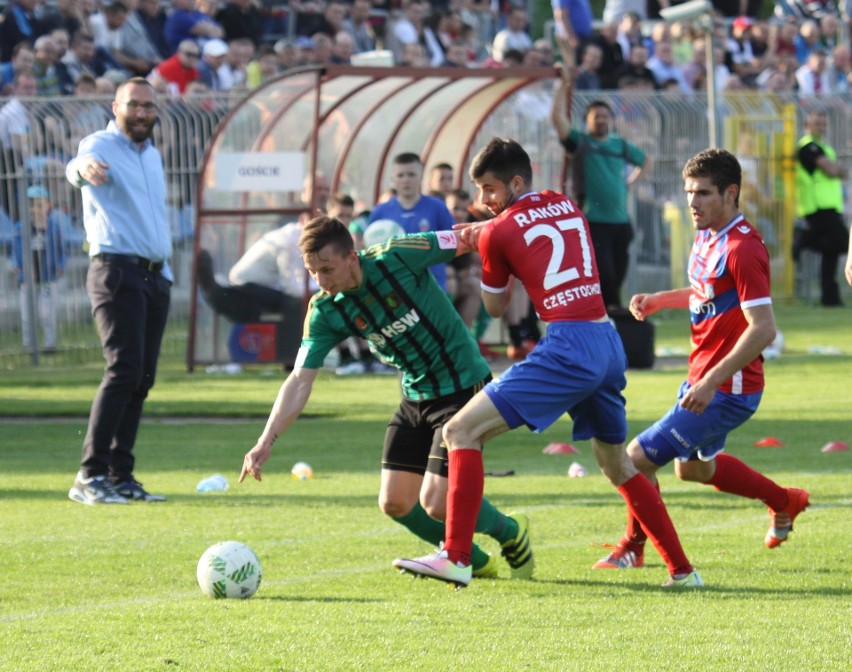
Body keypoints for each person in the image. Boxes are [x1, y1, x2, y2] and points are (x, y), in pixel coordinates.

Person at [394, 138, 700, 589]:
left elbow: (495, 309)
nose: (484, 201)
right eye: (478, 190)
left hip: (568, 345)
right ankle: (683, 571)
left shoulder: (498, 231)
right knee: (618, 467)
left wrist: (484, 249)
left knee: (459, 431)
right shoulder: (565, 205)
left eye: (490, 189)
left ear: (517, 182)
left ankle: (456, 557)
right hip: (606, 340)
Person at [239, 216, 531, 580]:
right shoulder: (325, 311)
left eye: (327, 269)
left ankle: (509, 530)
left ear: (351, 257)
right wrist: (265, 440)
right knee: (394, 502)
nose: (321, 281)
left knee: (437, 503)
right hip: (415, 396)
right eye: (313, 272)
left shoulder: (399, 256)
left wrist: (519, 220)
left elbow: (470, 237)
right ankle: (475, 559)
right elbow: (299, 380)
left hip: (462, 386)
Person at [594, 148, 811, 572]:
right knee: (692, 470)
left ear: (731, 194)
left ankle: (632, 549)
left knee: (634, 459)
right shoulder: (707, 234)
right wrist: (661, 300)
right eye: (689, 192)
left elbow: (763, 327)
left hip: (726, 389)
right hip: (704, 379)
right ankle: (785, 500)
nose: (692, 202)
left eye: (703, 193)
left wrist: (711, 381)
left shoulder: (743, 248)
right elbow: (706, 292)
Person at [66, 77, 171, 505]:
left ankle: (120, 475)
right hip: (117, 271)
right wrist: (81, 170)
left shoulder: (153, 157)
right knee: (123, 370)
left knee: (141, 378)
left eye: (148, 106)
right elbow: (77, 166)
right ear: (116, 106)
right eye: (134, 105)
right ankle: (89, 476)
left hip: (153, 276)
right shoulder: (100, 145)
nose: (142, 112)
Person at [551, 71, 649, 313]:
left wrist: (631, 183)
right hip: (595, 222)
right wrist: (563, 84)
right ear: (587, 120)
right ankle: (612, 311)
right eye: (597, 116)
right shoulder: (581, 142)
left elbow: (646, 161)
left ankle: (611, 310)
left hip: (621, 220)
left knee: (619, 270)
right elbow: (558, 121)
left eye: (605, 116)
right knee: (604, 272)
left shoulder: (620, 144)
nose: (602, 120)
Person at [368, 152, 455, 292]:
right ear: (392, 179)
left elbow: (453, 242)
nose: (406, 180)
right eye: (400, 175)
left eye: (411, 174)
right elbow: (370, 251)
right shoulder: (380, 212)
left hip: (432, 286)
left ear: (421, 176)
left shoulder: (438, 207)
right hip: (394, 287)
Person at [794, 108, 849, 307]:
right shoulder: (809, 147)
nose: (821, 127)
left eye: (823, 123)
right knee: (843, 243)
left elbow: (836, 171)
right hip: (817, 207)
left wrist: (838, 170)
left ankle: (830, 297)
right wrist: (838, 170)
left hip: (829, 206)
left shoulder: (822, 147)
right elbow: (831, 170)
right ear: (806, 125)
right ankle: (804, 239)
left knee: (831, 249)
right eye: (817, 123)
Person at [10, 185, 64, 353]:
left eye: (40, 204)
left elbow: (60, 249)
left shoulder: (53, 227)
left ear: (48, 206)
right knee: (27, 314)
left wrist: (60, 265)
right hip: (27, 278)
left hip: (48, 277)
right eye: (32, 205)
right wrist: (15, 263)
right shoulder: (20, 228)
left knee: (47, 314)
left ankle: (50, 344)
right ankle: (29, 345)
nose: (35, 209)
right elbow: (14, 249)